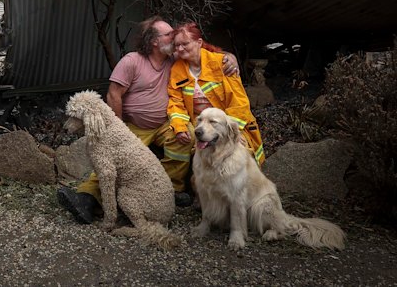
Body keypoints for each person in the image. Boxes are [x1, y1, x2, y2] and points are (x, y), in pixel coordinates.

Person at [57, 16, 239, 224]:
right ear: (154, 41)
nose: (174, 37)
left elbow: (202, 50)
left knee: (186, 135)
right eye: (169, 34)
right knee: (110, 159)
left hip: (165, 124)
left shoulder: (174, 59)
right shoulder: (132, 61)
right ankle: (86, 198)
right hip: (133, 127)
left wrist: (229, 56)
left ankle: (171, 189)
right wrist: (118, 128)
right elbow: (113, 94)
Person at [167, 22, 265, 167]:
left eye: (185, 44)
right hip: (198, 122)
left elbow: (239, 103)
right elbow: (176, 102)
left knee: (238, 150)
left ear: (199, 42)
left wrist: (232, 131)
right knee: (180, 142)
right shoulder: (177, 69)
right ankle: (178, 181)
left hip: (226, 121)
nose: (180, 49)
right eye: (177, 45)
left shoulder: (221, 63)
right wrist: (180, 127)